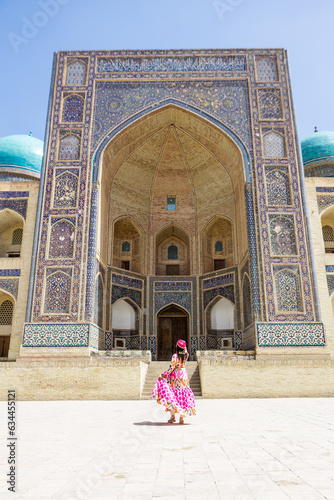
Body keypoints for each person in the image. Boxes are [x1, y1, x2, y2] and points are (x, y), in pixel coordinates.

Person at [152, 339, 196, 424]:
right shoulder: (186, 355)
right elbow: (185, 350)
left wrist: (163, 375)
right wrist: (184, 346)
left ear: (177, 347)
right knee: (184, 396)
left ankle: (172, 417)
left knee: (173, 396)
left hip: (176, 376)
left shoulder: (175, 356)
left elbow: (171, 368)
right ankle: (182, 418)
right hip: (184, 376)